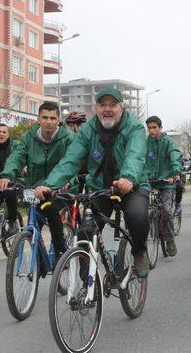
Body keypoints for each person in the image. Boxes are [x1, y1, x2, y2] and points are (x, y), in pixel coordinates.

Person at [35, 88, 151, 277]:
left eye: (112, 105)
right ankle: (87, 284)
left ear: (121, 108)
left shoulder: (135, 127)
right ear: (96, 108)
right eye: (102, 105)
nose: (107, 109)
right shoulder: (88, 130)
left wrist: (128, 178)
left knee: (137, 218)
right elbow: (70, 160)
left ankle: (139, 251)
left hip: (131, 186)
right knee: (85, 233)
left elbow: (135, 155)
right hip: (100, 187)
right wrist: (50, 184)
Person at [0, 102, 74, 259]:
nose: (48, 121)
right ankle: (39, 260)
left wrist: (68, 181)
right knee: (34, 224)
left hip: (61, 188)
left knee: (51, 209)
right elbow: (17, 157)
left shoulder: (68, 138)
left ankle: (61, 249)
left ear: (58, 120)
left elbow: (71, 162)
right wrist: (6, 174)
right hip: (36, 188)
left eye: (53, 118)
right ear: (38, 118)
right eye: (45, 117)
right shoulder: (28, 138)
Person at [145, 115, 182, 257]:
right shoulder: (144, 143)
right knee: (140, 211)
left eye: (154, 127)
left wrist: (175, 172)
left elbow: (175, 157)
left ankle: (170, 239)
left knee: (166, 211)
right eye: (149, 128)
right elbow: (138, 158)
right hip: (149, 181)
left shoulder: (168, 143)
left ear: (160, 128)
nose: (152, 131)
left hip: (167, 182)